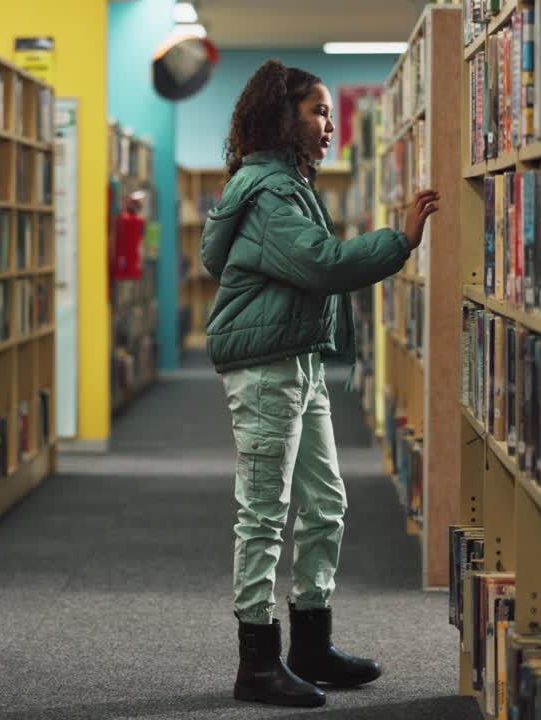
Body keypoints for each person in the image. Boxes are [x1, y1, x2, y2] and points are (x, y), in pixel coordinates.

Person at [199, 59, 439, 708]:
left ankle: (310, 643)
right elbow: (321, 264)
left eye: (331, 112)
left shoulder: (291, 183)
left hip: (298, 361)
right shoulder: (270, 193)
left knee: (325, 502)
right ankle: (256, 660)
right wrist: (401, 241)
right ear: (283, 118)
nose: (331, 125)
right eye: (318, 112)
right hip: (266, 369)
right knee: (264, 514)